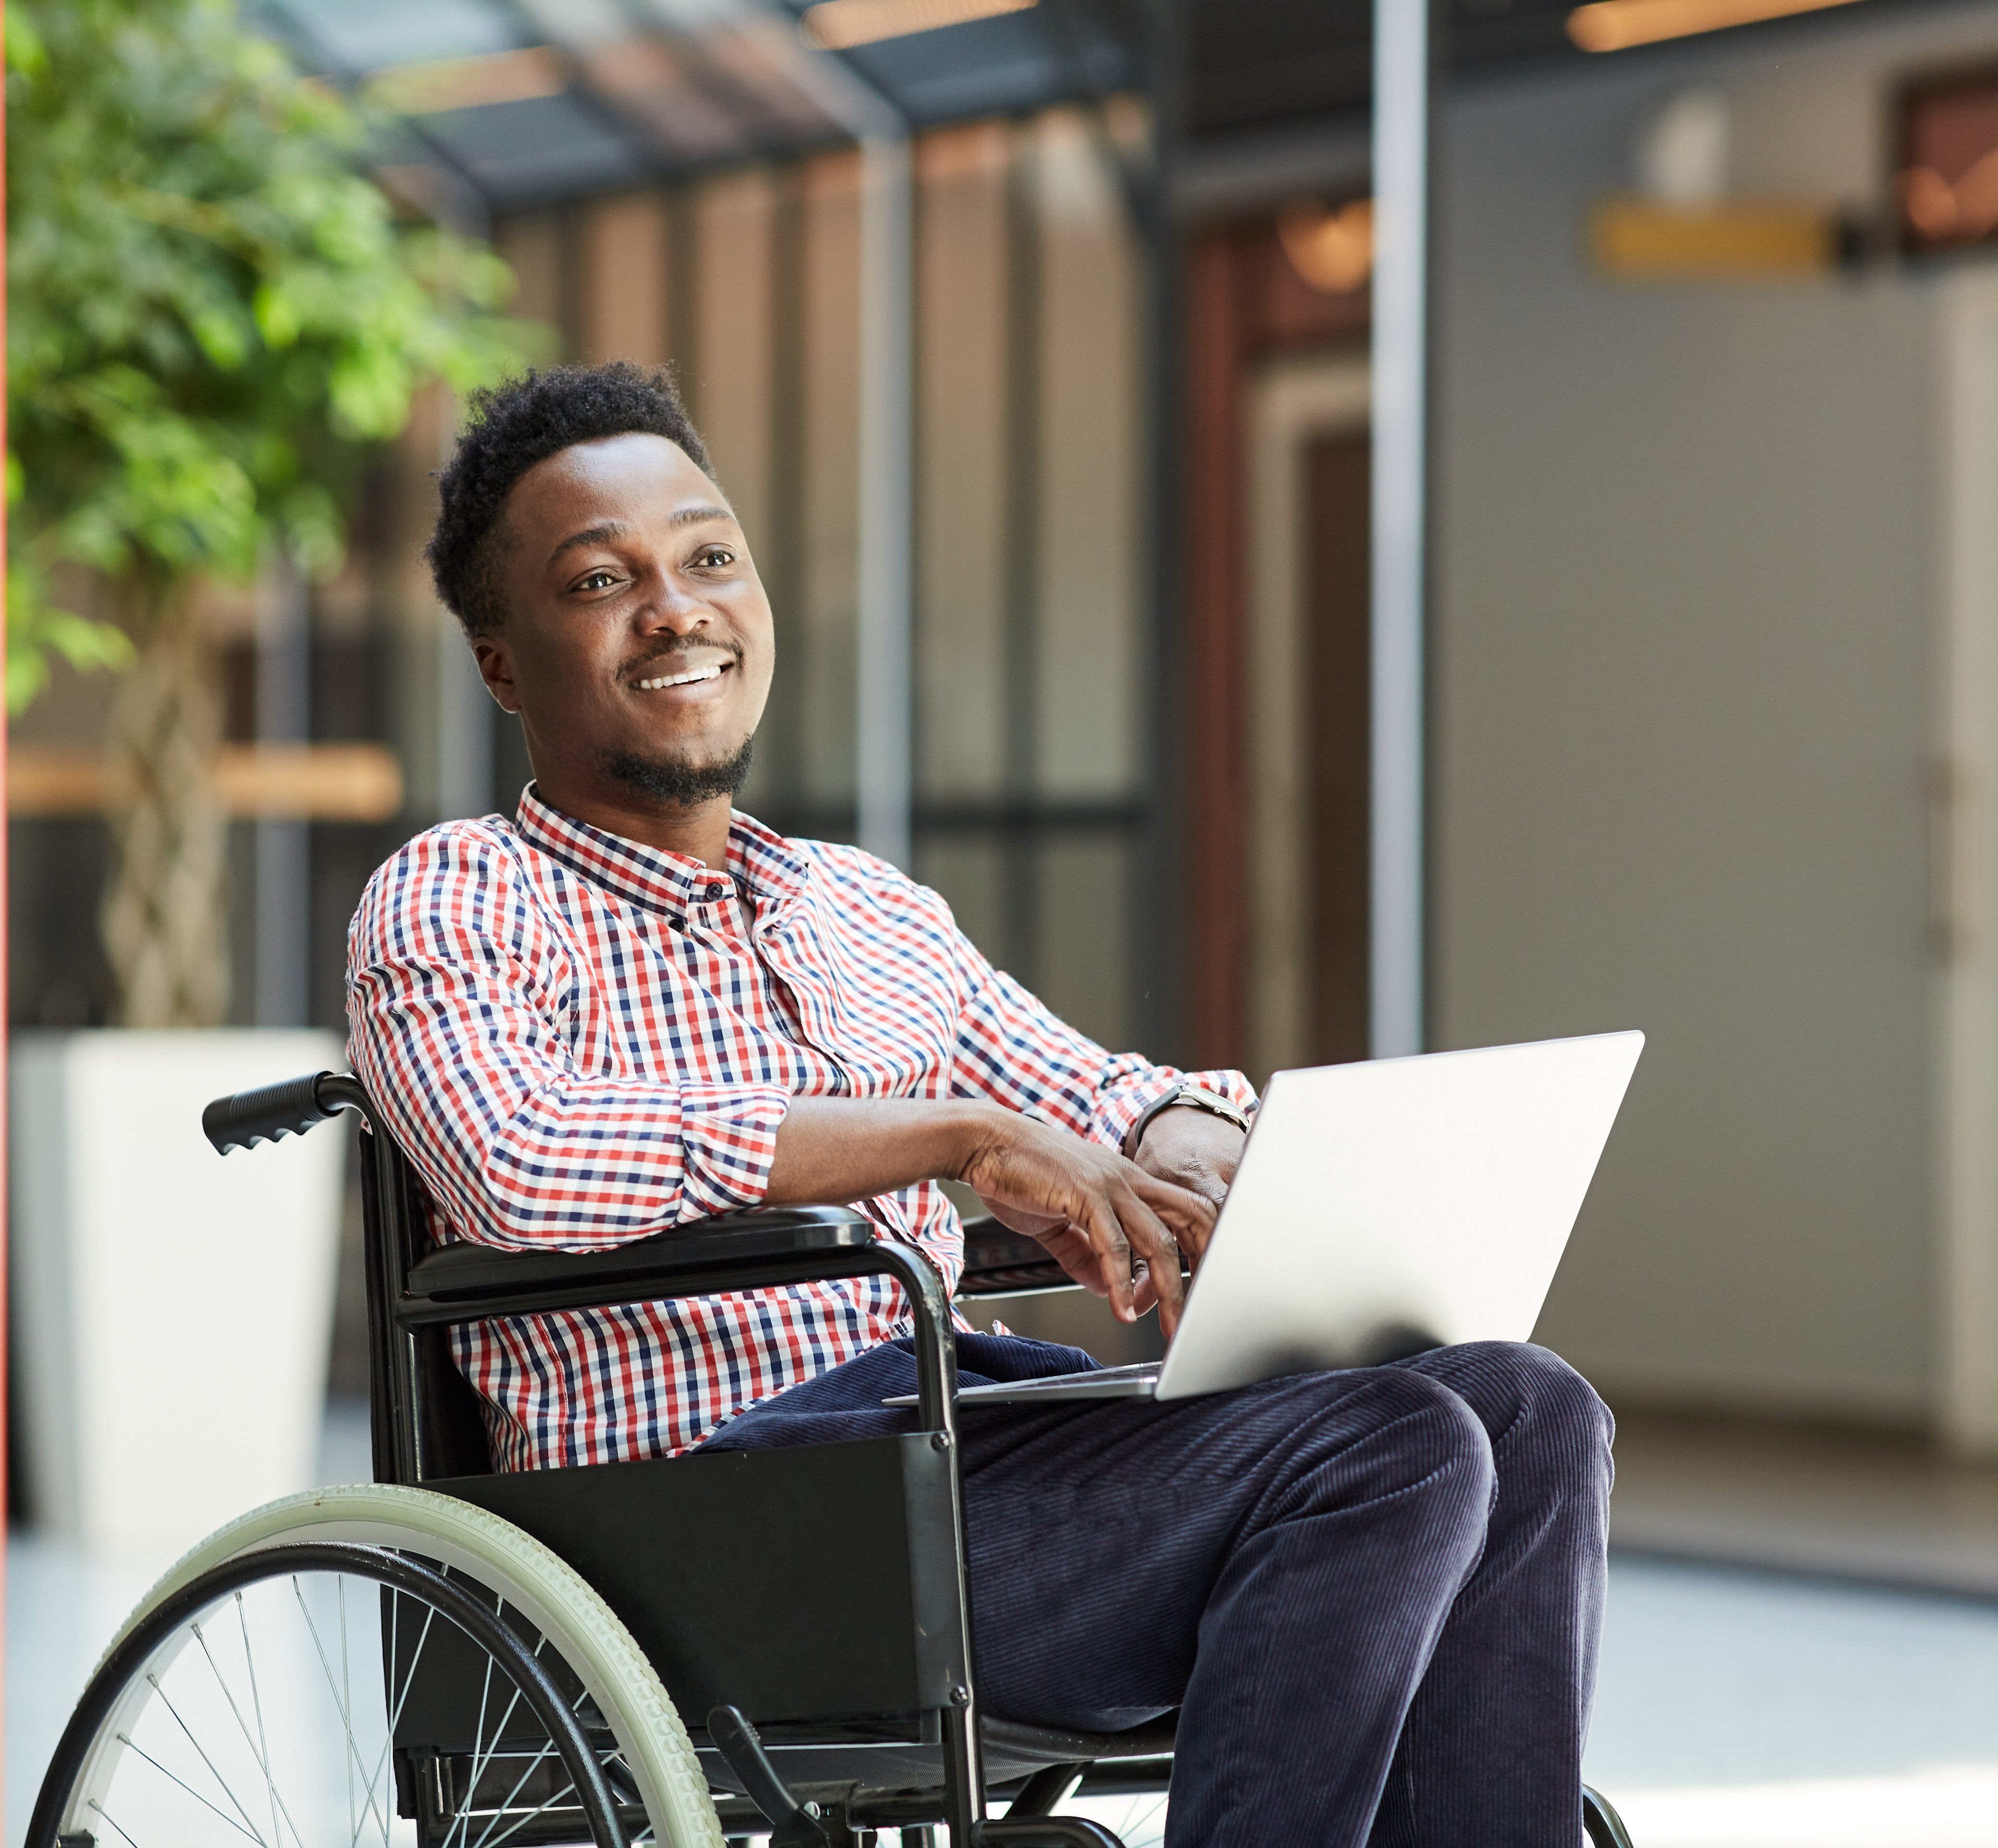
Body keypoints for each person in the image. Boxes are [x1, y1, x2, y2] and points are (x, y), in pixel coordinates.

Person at [347, 361, 1612, 1848]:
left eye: (708, 559)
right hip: (703, 1524)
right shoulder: (455, 896)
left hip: (946, 1448)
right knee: (1389, 1452)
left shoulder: (869, 908)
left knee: (1524, 1409)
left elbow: (1088, 1090)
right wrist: (951, 1137)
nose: (676, 608)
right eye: (601, 580)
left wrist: (1188, 1147)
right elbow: (516, 1166)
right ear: (503, 663)